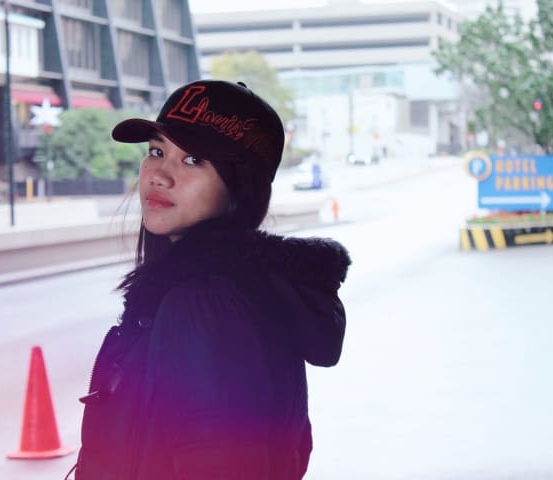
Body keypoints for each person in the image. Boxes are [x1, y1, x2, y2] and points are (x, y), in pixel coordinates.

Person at [73, 80, 351, 480]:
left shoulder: (205, 307)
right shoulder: (229, 290)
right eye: (157, 151)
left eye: (193, 160)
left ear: (240, 189)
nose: (159, 176)